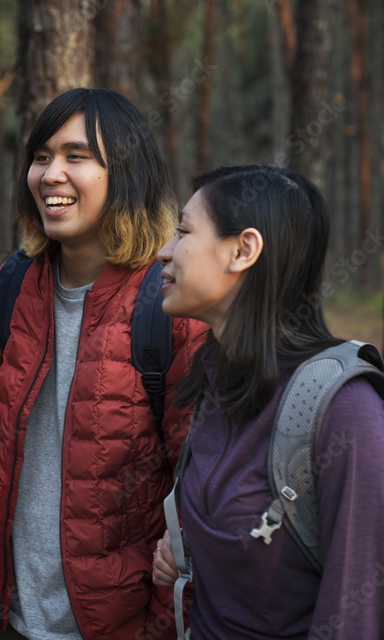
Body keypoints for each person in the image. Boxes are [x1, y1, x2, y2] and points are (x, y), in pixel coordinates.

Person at [0, 88, 209, 640]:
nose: (50, 174)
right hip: (13, 613)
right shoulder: (13, 286)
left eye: (76, 157)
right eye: (41, 156)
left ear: (126, 172)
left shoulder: (169, 303)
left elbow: (199, 483)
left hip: (123, 623)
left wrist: (160, 622)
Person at [151, 165, 384, 638]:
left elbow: (355, 616)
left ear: (243, 250)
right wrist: (191, 546)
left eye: (183, 232)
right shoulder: (215, 379)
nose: (164, 251)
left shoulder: (346, 411)